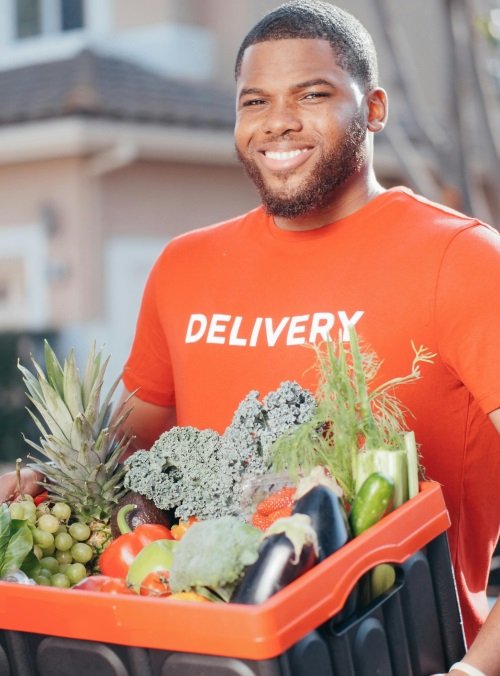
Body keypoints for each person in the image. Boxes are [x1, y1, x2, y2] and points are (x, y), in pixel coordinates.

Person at [1, 2, 499, 673]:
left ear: (374, 108)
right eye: (254, 101)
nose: (277, 122)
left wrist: (479, 668)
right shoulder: (185, 266)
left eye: (312, 94)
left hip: (399, 649)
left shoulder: (463, 260)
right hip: (203, 654)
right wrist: (44, 490)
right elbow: (127, 464)